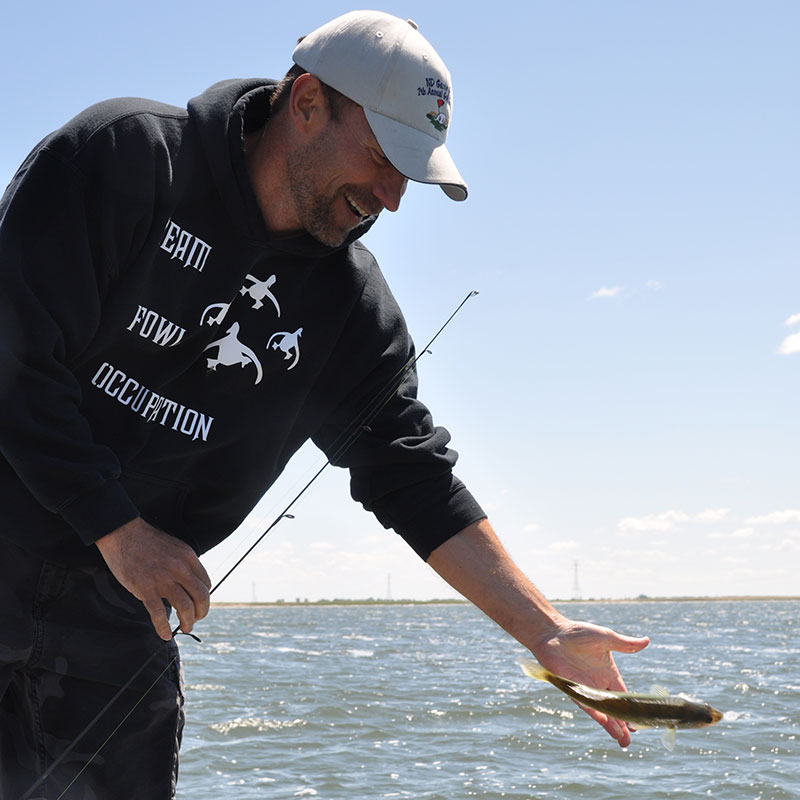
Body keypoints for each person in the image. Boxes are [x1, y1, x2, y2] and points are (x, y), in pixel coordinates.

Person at [0, 10, 649, 798]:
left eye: (409, 173)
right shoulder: (122, 157)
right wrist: (117, 527)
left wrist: (545, 629)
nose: (393, 197)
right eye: (382, 157)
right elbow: (15, 363)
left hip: (117, 632)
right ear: (307, 103)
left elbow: (412, 475)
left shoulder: (350, 310)